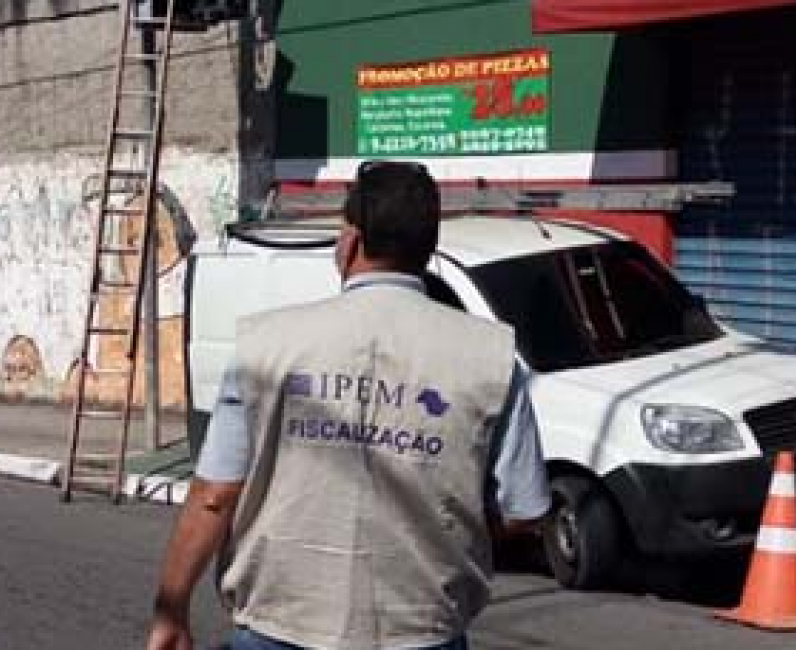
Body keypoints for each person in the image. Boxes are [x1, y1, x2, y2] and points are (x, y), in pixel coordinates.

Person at [146, 161, 550, 650]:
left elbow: (215, 495)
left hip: (280, 623)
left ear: (352, 242)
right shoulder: (492, 357)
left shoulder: (265, 344)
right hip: (421, 629)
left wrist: (172, 608)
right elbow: (523, 510)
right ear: (426, 248)